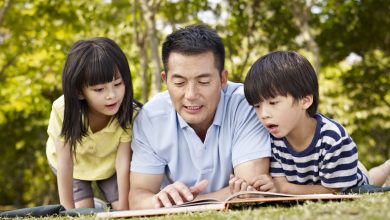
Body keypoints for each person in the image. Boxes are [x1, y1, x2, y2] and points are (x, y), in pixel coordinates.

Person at [129, 24, 273, 209]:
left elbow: (249, 190)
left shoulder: (247, 104)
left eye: (203, 81)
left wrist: (180, 205)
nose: (191, 94)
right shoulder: (151, 118)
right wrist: (157, 200)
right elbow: (137, 198)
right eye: (179, 82)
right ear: (165, 80)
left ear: (222, 79)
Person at [231, 50, 389, 194]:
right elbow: (279, 184)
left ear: (305, 101)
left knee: (372, 180)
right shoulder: (272, 138)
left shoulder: (333, 138)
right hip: (324, 176)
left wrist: (282, 188)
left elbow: (332, 191)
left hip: (349, 181)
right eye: (257, 106)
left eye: (273, 103)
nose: (263, 114)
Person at [46, 37, 138, 210]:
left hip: (109, 165)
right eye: (99, 90)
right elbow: (65, 162)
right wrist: (67, 211)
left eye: (117, 84)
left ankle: (108, 206)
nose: (112, 95)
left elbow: (123, 162)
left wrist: (125, 211)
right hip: (74, 167)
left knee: (123, 206)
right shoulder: (63, 109)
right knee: (83, 211)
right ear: (79, 92)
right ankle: (95, 205)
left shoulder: (129, 112)